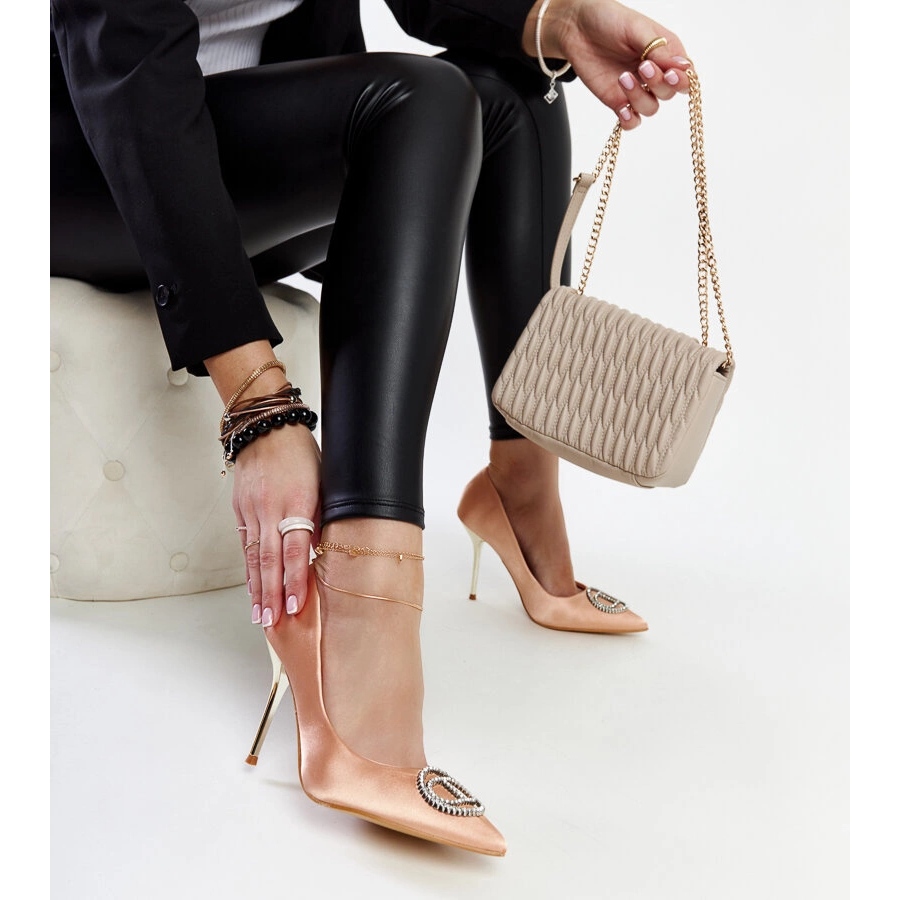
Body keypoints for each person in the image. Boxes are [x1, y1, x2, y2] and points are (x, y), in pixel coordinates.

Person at [50, 0, 692, 855]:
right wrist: (261, 409)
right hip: (91, 160)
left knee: (513, 86)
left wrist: (559, 19)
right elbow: (125, 66)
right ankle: (361, 610)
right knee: (417, 99)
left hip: (241, 151)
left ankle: (521, 484)